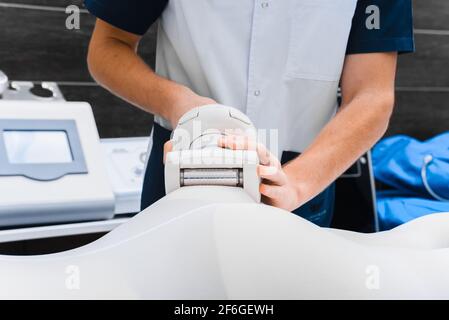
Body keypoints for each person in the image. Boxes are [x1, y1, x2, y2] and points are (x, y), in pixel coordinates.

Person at [85, 0, 414, 227]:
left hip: (300, 183)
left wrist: (295, 187)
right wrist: (177, 102)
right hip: (183, 169)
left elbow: (372, 96)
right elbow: (108, 46)